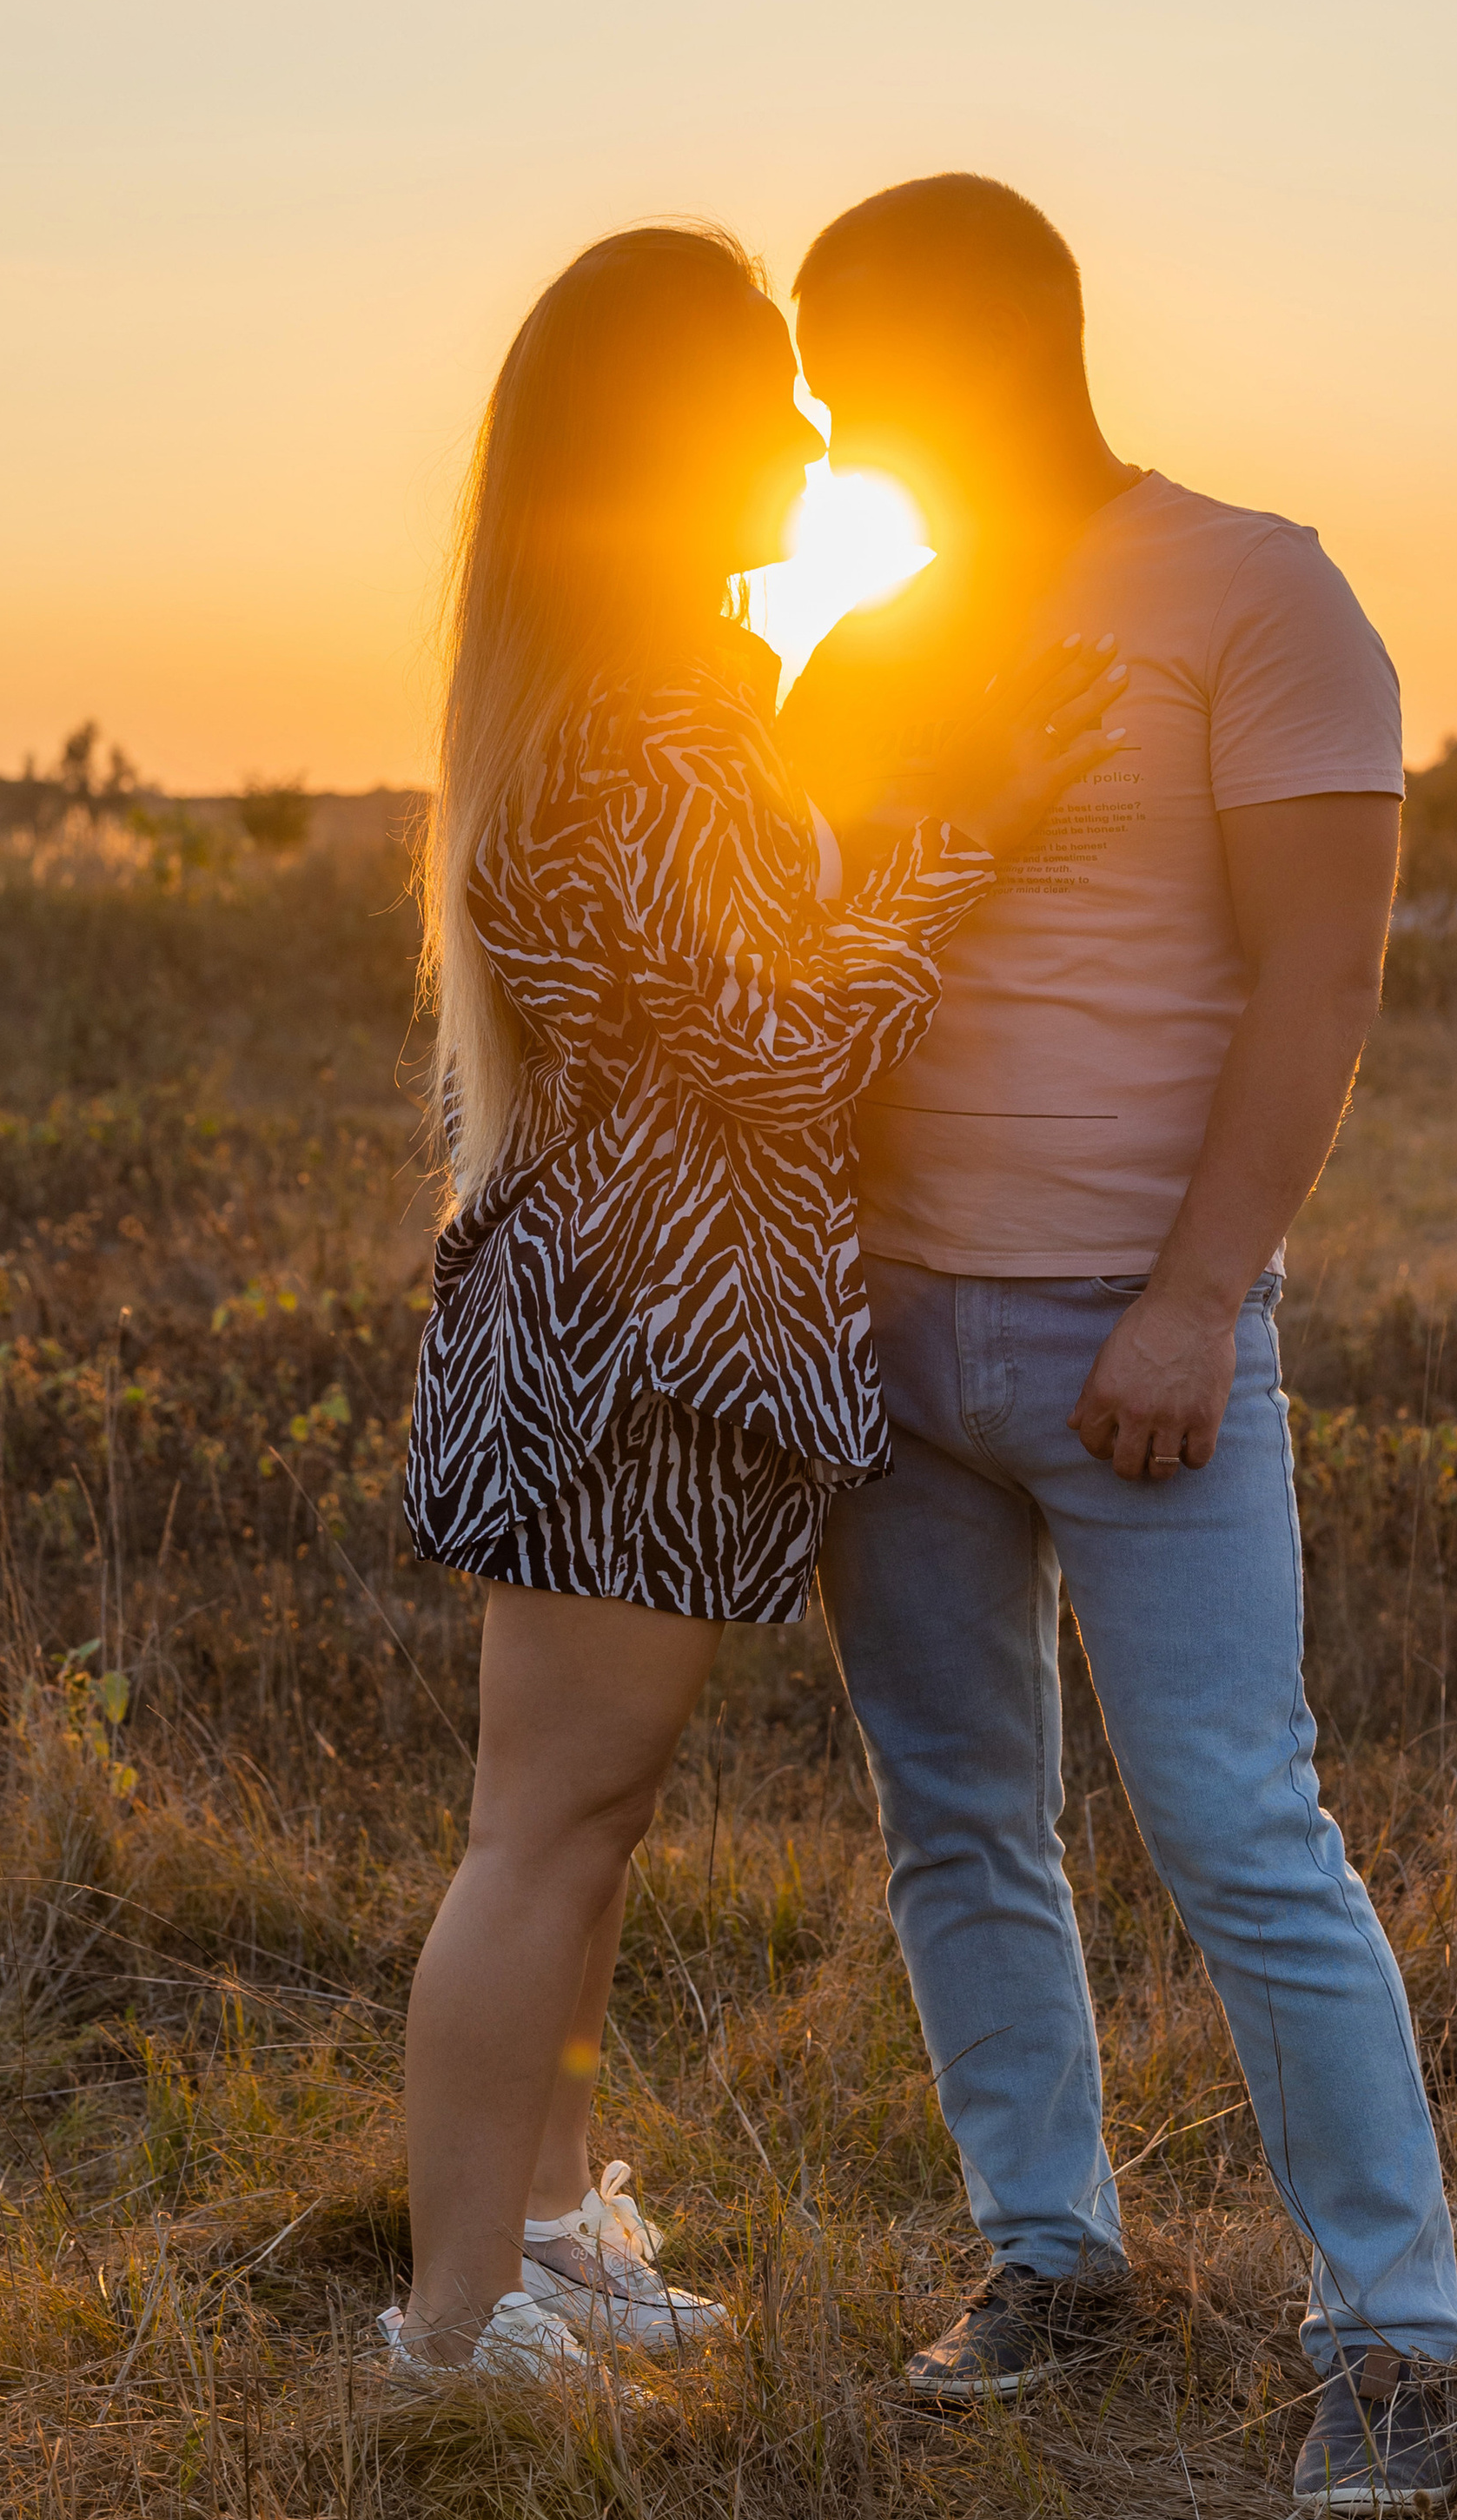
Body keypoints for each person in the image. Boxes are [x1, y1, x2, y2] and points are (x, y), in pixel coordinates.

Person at [781, 174, 1457, 2514]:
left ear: (973, 352)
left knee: (1237, 1826)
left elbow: (1324, 979)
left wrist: (1191, 1297)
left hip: (1137, 1340)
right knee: (957, 1816)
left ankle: (1393, 2332)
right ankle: (1046, 2257)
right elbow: (809, 967)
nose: (818, 412)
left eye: (844, 367)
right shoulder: (874, 637)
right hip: (886, 1341)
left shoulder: (1256, 592)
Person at [389, 222, 1124, 2377]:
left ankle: (553, 2243)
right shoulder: (640, 716)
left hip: (655, 1338)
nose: (813, 440)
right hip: (639, 1345)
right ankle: (450, 2328)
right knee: (545, 1829)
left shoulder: (640, 688)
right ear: (669, 434)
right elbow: (777, 1045)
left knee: (585, 1831)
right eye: (775, 410)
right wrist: (961, 831)